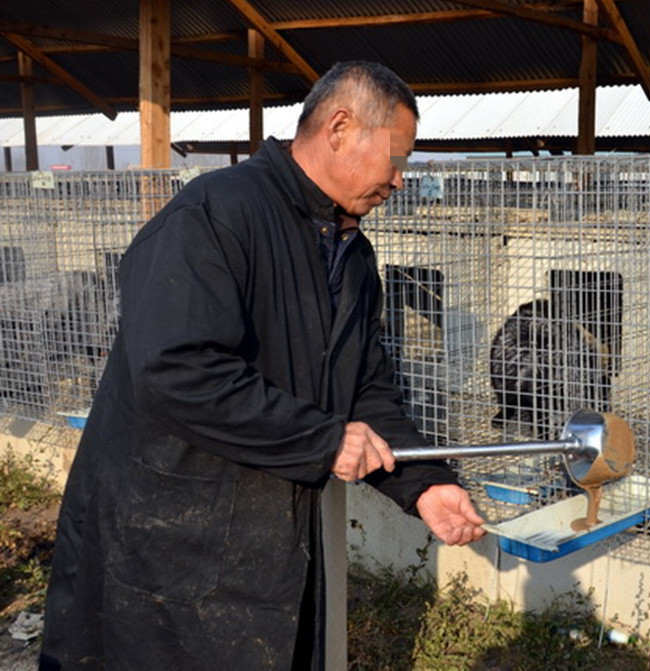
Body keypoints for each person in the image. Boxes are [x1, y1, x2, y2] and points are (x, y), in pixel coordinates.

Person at [40, 61, 485, 670]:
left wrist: (424, 484)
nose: (401, 180)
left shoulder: (350, 253)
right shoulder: (216, 214)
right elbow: (176, 368)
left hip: (267, 536)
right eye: (396, 157)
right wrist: (322, 439)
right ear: (339, 127)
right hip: (166, 534)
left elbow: (365, 388)